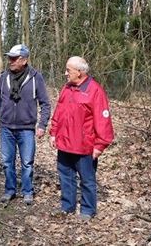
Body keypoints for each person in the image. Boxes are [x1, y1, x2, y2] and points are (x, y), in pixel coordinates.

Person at [49, 56, 114, 220]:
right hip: (64, 143)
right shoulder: (67, 88)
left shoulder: (95, 90)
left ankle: (87, 210)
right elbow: (58, 113)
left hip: (84, 146)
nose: (65, 73)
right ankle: (67, 206)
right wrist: (54, 133)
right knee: (65, 177)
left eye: (68, 70)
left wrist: (100, 145)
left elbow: (103, 121)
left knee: (87, 180)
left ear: (79, 72)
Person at [0, 44, 51, 205]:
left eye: (14, 58)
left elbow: (45, 103)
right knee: (6, 162)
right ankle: (10, 190)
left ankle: (27, 191)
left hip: (26, 128)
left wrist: (42, 125)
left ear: (24, 60)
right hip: (6, 127)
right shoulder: (4, 77)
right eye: (9, 58)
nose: (10, 61)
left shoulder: (35, 77)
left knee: (27, 162)